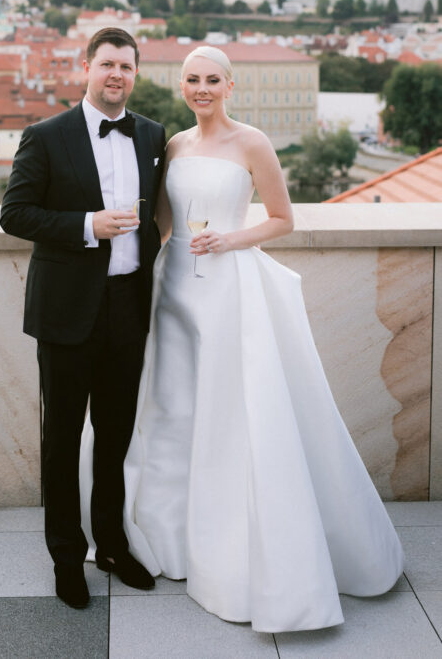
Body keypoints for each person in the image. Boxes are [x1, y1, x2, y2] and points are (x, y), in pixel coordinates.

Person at [80, 45, 404, 632]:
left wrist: (229, 241)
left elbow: (283, 219)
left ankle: (227, 547)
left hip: (228, 286)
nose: (202, 88)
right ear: (181, 86)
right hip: (173, 288)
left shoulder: (253, 142)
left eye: (212, 79)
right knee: (172, 409)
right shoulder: (174, 145)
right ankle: (167, 539)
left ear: (231, 86)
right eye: (192, 79)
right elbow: (163, 223)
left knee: (229, 414)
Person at [0, 27, 166, 609]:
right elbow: (15, 214)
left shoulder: (152, 135)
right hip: (66, 311)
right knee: (63, 440)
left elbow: (161, 214)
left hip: (128, 307)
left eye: (126, 66)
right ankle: (67, 559)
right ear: (87, 68)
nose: (116, 74)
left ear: (135, 74)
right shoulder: (46, 135)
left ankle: (112, 546)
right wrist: (86, 226)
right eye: (107, 64)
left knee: (115, 436)